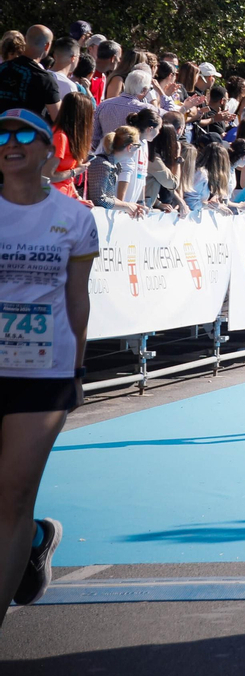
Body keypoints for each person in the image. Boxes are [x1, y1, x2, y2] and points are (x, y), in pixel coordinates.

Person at [0, 108, 98, 620]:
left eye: (23, 134)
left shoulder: (75, 218)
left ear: (47, 149)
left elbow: (77, 300)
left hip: (43, 371)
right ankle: (37, 539)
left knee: (11, 497)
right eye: (0, 134)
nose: (10, 142)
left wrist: (77, 371)